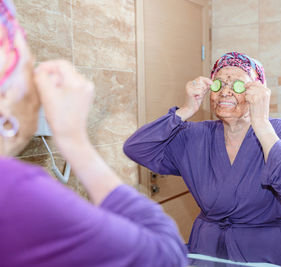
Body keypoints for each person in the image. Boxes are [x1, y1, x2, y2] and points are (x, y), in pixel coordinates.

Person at [0, 1, 187, 266]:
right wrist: (74, 139)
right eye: (27, 66)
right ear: (5, 91)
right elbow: (165, 256)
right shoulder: (14, 191)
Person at [124, 51, 281, 266]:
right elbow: (136, 147)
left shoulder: (277, 130)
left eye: (238, 85)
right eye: (218, 84)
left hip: (260, 253)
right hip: (207, 252)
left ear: (257, 91)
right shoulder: (195, 135)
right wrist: (186, 109)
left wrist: (261, 122)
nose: (225, 92)